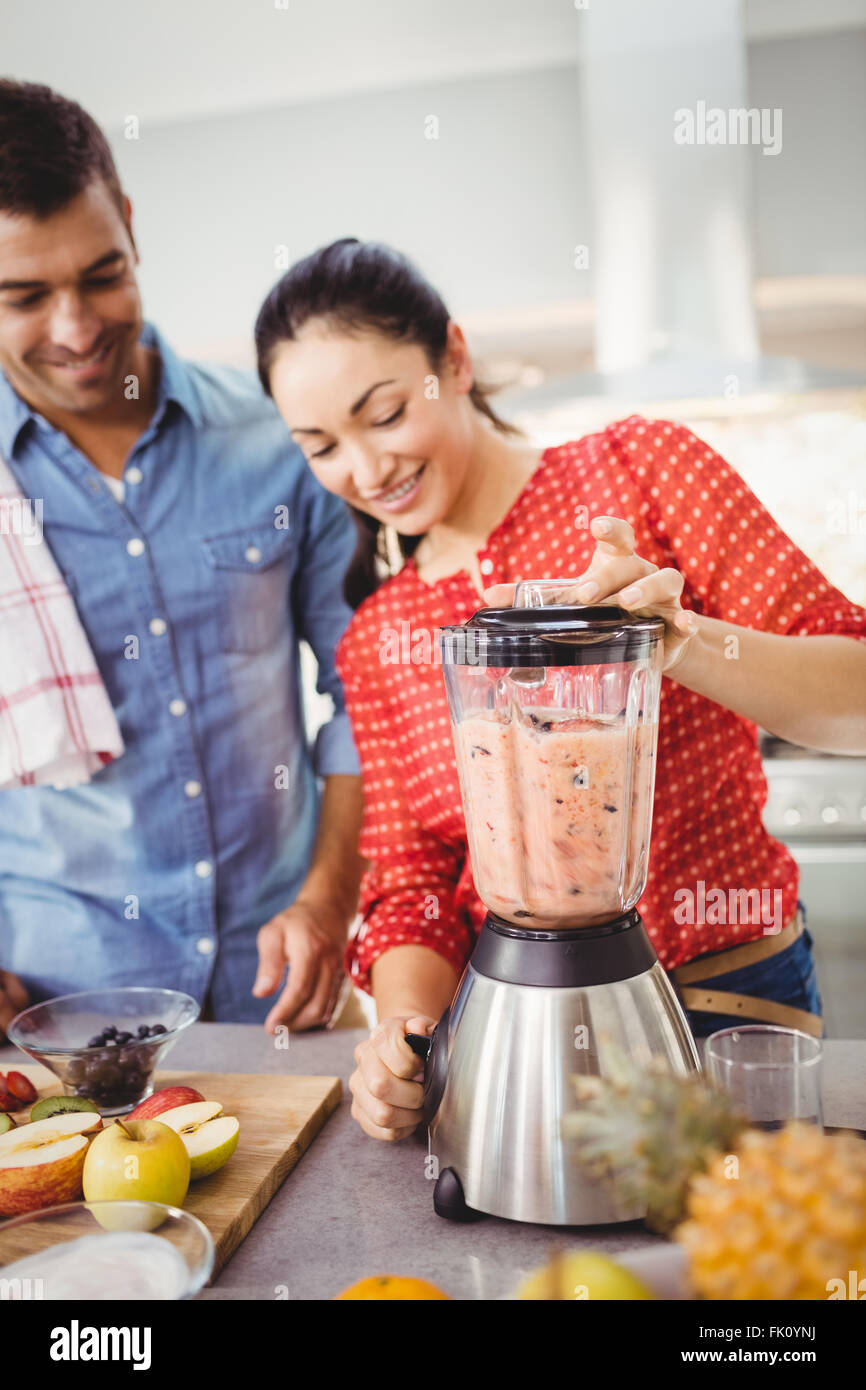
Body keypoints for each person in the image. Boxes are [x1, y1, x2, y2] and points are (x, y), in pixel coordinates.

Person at [255, 237, 866, 1140]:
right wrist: (404, 1033)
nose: (366, 469)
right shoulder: (379, 635)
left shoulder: (644, 473)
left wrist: (685, 643)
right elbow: (413, 880)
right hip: (521, 1031)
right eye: (321, 447)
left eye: (384, 414)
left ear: (453, 361)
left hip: (736, 1004)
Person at [0, 81, 364, 1035]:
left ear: (129, 222)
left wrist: (330, 896)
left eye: (102, 275)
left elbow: (369, 695)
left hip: (283, 988)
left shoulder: (280, 439)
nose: (77, 330)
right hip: (55, 1012)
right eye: (25, 297)